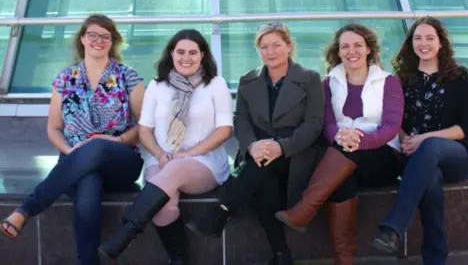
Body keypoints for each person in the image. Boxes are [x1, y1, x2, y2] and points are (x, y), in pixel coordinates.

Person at [0, 14, 145, 265]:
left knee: (98, 146)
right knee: (88, 181)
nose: (98, 41)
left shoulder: (127, 76)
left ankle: (26, 210)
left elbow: (144, 126)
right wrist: (70, 150)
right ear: (82, 39)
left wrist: (116, 141)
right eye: (93, 35)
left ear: (112, 42)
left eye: (105, 36)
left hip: (121, 160)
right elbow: (54, 128)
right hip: (75, 161)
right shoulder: (65, 79)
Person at [186, 22, 325, 265]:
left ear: (289, 46)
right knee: (264, 178)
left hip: (295, 155)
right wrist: (252, 146)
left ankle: (222, 212)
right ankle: (281, 255)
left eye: (276, 45)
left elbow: (313, 124)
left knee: (261, 169)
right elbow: (241, 120)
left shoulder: (310, 79)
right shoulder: (248, 80)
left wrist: (281, 147)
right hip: (258, 154)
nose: (270, 52)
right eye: (264, 47)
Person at [97, 29, 233, 264]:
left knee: (176, 168)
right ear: (172, 53)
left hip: (203, 160)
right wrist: (160, 154)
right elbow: (144, 130)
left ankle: (127, 231)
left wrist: (187, 153)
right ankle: (179, 259)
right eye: (180, 52)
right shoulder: (157, 86)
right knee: (163, 205)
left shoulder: (215, 84)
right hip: (160, 158)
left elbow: (224, 130)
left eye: (193, 52)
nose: (186, 58)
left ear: (202, 55)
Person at [274, 23, 404, 265]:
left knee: (343, 156)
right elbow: (328, 124)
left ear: (368, 49)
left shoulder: (388, 81)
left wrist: (360, 140)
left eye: (357, 45)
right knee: (342, 181)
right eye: (345, 46)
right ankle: (344, 260)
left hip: (383, 157)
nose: (351, 51)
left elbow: (391, 127)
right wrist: (339, 137)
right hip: (343, 154)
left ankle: (305, 209)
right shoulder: (328, 83)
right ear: (338, 51)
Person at [371, 16, 468, 265]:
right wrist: (405, 139)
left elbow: (465, 129)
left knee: (430, 148)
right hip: (418, 158)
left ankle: (394, 225)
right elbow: (393, 119)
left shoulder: (461, 78)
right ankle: (435, 259)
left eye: (430, 38)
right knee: (430, 179)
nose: (424, 43)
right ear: (411, 43)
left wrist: (422, 138)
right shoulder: (402, 80)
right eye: (418, 38)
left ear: (441, 43)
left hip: (458, 155)